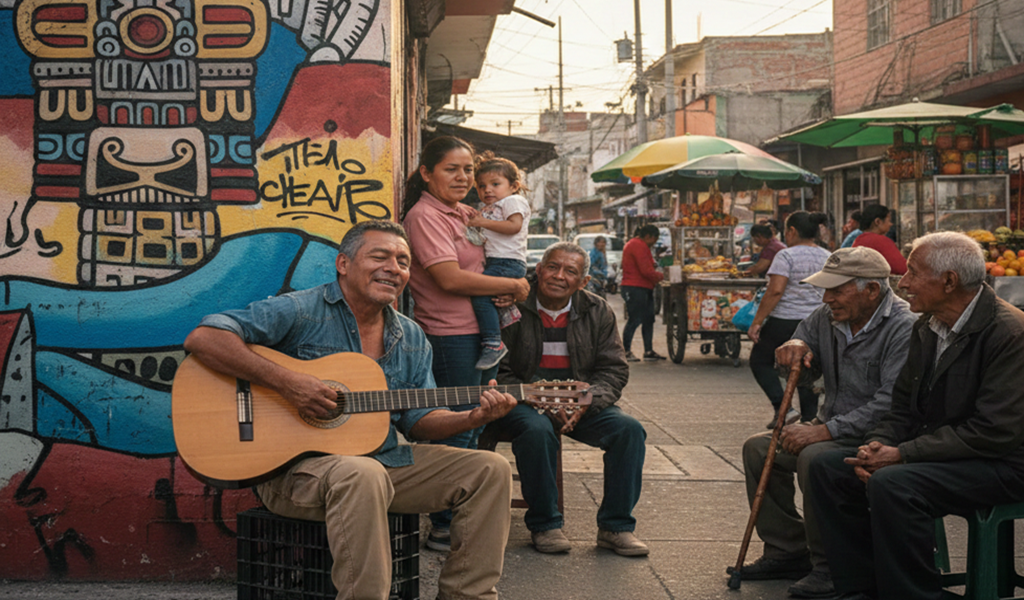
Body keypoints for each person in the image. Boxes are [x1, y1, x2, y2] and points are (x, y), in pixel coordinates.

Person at [182, 220, 517, 600]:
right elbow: (205, 338)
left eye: (404, 262)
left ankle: (466, 595)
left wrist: (473, 417)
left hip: (382, 463)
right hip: (293, 474)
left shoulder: (409, 336)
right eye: (381, 256)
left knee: (489, 469)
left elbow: (420, 422)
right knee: (362, 473)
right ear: (343, 263)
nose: (394, 268)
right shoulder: (300, 310)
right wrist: (288, 383)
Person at [808, 231, 1024, 600]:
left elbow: (993, 431)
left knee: (894, 483)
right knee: (828, 466)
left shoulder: (1007, 332)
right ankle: (860, 588)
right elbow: (903, 405)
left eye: (913, 273)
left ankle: (914, 594)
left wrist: (904, 454)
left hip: (1002, 462)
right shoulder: (928, 326)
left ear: (949, 281)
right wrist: (880, 444)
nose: (902, 283)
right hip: (949, 451)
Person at [732, 247, 915, 599]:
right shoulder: (825, 316)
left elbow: (891, 403)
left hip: (878, 434)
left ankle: (830, 565)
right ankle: (787, 550)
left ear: (871, 290)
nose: (827, 297)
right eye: (825, 289)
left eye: (837, 289)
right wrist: (794, 348)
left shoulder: (903, 328)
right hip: (831, 423)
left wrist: (823, 430)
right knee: (759, 447)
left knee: (813, 457)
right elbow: (801, 358)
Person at [401, 136, 530, 552]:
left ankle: (458, 515)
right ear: (426, 173)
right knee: (455, 429)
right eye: (451, 169)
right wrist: (513, 284)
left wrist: (506, 289)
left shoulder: (465, 212)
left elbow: (488, 258)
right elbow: (450, 278)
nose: (463, 177)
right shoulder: (425, 216)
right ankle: (442, 523)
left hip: (479, 333)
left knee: (475, 423)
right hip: (450, 336)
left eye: (468, 169)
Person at [493, 242, 648, 556]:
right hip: (525, 401)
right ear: (539, 269)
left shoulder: (597, 309)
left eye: (570, 271)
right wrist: (539, 401)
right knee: (536, 430)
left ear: (583, 282)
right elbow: (499, 369)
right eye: (552, 267)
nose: (558, 276)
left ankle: (615, 527)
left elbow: (613, 369)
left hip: (580, 403)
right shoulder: (513, 307)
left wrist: (585, 401)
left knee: (629, 431)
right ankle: (545, 524)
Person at [748, 211, 831, 426]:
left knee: (760, 360)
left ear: (792, 231)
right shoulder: (827, 256)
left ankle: (782, 407)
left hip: (785, 321)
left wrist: (757, 321)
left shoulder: (786, 255)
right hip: (818, 321)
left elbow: (775, 291)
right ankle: (808, 419)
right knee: (806, 366)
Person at [466, 152, 531, 370]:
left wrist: (482, 222)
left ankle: (494, 343)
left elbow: (514, 226)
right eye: (481, 186)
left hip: (508, 262)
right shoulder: (490, 208)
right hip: (497, 261)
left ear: (513, 185)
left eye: (495, 184)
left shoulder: (514, 201)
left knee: (480, 296)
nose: (488, 190)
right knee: (492, 299)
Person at [620, 224, 665, 362]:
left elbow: (650, 265)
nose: (654, 243)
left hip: (644, 287)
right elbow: (646, 271)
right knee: (635, 319)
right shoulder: (638, 245)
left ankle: (648, 350)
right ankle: (625, 351)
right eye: (654, 240)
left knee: (648, 319)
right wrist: (662, 277)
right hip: (635, 287)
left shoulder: (639, 245)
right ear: (648, 237)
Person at [852, 204, 906, 274]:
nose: (890, 224)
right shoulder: (881, 241)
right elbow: (901, 268)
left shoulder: (859, 239)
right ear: (878, 221)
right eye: (889, 220)